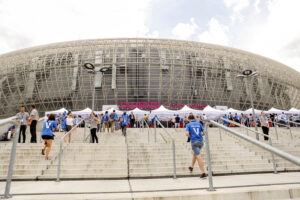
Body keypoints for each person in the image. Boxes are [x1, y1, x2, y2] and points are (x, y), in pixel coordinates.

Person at [185, 115, 207, 179]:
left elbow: (186, 134)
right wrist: (200, 135)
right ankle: (191, 166)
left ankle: (203, 173)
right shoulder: (199, 124)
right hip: (201, 141)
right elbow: (204, 132)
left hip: (194, 141)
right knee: (195, 154)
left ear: (189, 119)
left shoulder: (188, 125)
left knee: (198, 156)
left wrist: (190, 136)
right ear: (194, 118)